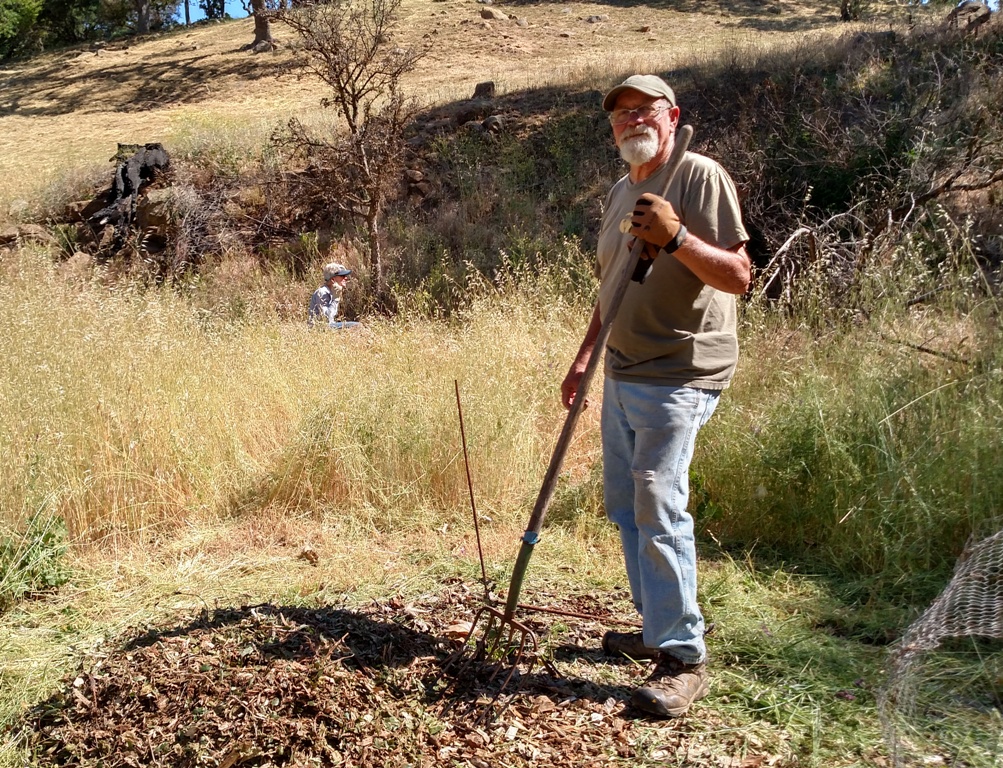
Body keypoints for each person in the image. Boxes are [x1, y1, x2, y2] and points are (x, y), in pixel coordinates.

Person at [560, 75, 751, 718]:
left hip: (681, 370)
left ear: (672, 117)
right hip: (622, 367)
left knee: (658, 502)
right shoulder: (622, 190)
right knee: (625, 501)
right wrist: (586, 355)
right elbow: (613, 283)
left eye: (643, 111)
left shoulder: (697, 176)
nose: (630, 123)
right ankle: (658, 626)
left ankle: (682, 655)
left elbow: (739, 276)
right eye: (619, 115)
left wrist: (677, 239)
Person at [308, 262, 361, 330]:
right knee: (357, 326)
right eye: (342, 276)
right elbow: (326, 318)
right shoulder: (322, 292)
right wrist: (336, 298)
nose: (346, 278)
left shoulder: (332, 291)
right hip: (318, 328)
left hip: (327, 326)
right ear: (333, 279)